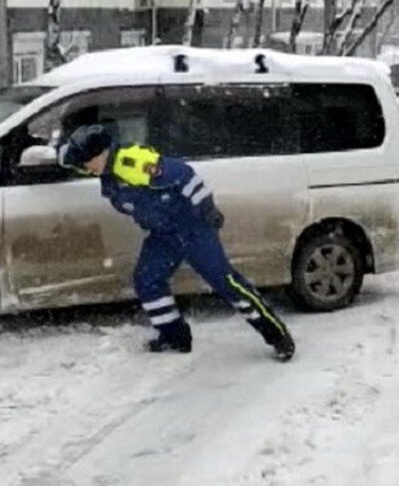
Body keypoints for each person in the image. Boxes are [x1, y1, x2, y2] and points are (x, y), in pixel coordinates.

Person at [57, 124, 296, 362]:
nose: (85, 168)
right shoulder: (101, 167)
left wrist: (206, 209)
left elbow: (185, 176)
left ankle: (277, 335)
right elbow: (66, 157)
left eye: (87, 162)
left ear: (102, 154)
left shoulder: (133, 163)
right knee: (147, 279)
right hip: (163, 234)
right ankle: (174, 336)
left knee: (228, 283)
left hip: (193, 230)